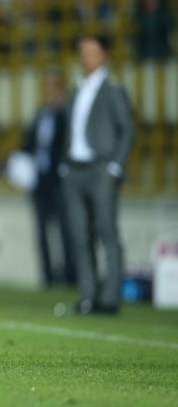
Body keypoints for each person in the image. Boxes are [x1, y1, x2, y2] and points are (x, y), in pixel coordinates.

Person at [60, 35, 134, 315]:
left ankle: (111, 298)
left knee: (106, 232)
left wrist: (115, 165)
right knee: (80, 236)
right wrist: (64, 164)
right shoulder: (77, 88)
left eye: (92, 52)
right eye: (82, 52)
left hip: (101, 169)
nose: (86, 57)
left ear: (104, 55)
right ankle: (89, 295)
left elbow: (126, 127)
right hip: (74, 170)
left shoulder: (112, 87)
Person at [21, 68, 75, 287]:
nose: (49, 92)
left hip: (59, 181)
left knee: (65, 231)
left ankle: (71, 276)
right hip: (40, 181)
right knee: (42, 232)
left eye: (53, 87)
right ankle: (48, 278)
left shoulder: (67, 114)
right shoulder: (40, 113)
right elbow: (30, 144)